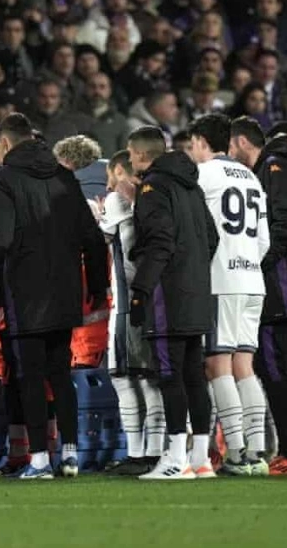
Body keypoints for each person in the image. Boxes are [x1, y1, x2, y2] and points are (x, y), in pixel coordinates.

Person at [0, 113, 109, 479]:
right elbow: (93, 239)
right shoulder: (64, 177)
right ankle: (69, 454)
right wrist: (98, 288)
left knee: (31, 377)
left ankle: (38, 459)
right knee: (60, 372)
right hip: (67, 292)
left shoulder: (3, 183)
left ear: (5, 144)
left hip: (26, 292)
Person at [127, 126, 218, 480]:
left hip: (167, 293)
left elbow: (159, 242)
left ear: (140, 154)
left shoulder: (153, 187)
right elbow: (210, 238)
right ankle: (200, 459)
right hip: (197, 291)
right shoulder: (191, 186)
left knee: (170, 374)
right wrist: (193, 270)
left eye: (132, 154)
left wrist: (141, 291)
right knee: (194, 374)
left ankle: (176, 458)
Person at [189, 114, 270, 476]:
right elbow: (264, 240)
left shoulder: (203, 175)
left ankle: (236, 452)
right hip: (253, 279)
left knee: (217, 364)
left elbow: (196, 230)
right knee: (244, 366)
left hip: (221, 279)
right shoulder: (250, 176)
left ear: (202, 142)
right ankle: (258, 450)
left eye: (192, 144)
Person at [101, 150, 166, 476]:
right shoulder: (157, 200)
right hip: (154, 298)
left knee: (127, 378)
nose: (108, 183)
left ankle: (139, 453)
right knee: (149, 379)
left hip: (127, 304)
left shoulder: (117, 199)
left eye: (110, 175)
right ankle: (151, 451)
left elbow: (100, 238)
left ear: (119, 172)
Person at [229, 117, 287, 475]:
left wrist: (257, 262)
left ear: (240, 142)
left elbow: (280, 223)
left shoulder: (272, 165)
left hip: (278, 292)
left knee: (275, 368)